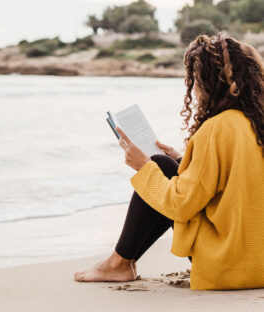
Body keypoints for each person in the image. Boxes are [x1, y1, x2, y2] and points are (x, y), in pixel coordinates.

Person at [74, 32, 264, 290]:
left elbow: (181, 206)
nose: (194, 89)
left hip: (229, 266)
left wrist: (144, 166)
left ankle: (119, 263)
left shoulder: (215, 130)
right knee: (167, 164)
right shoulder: (256, 122)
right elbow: (241, 179)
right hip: (259, 260)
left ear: (210, 83)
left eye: (196, 80)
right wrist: (183, 159)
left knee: (159, 167)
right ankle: (119, 263)